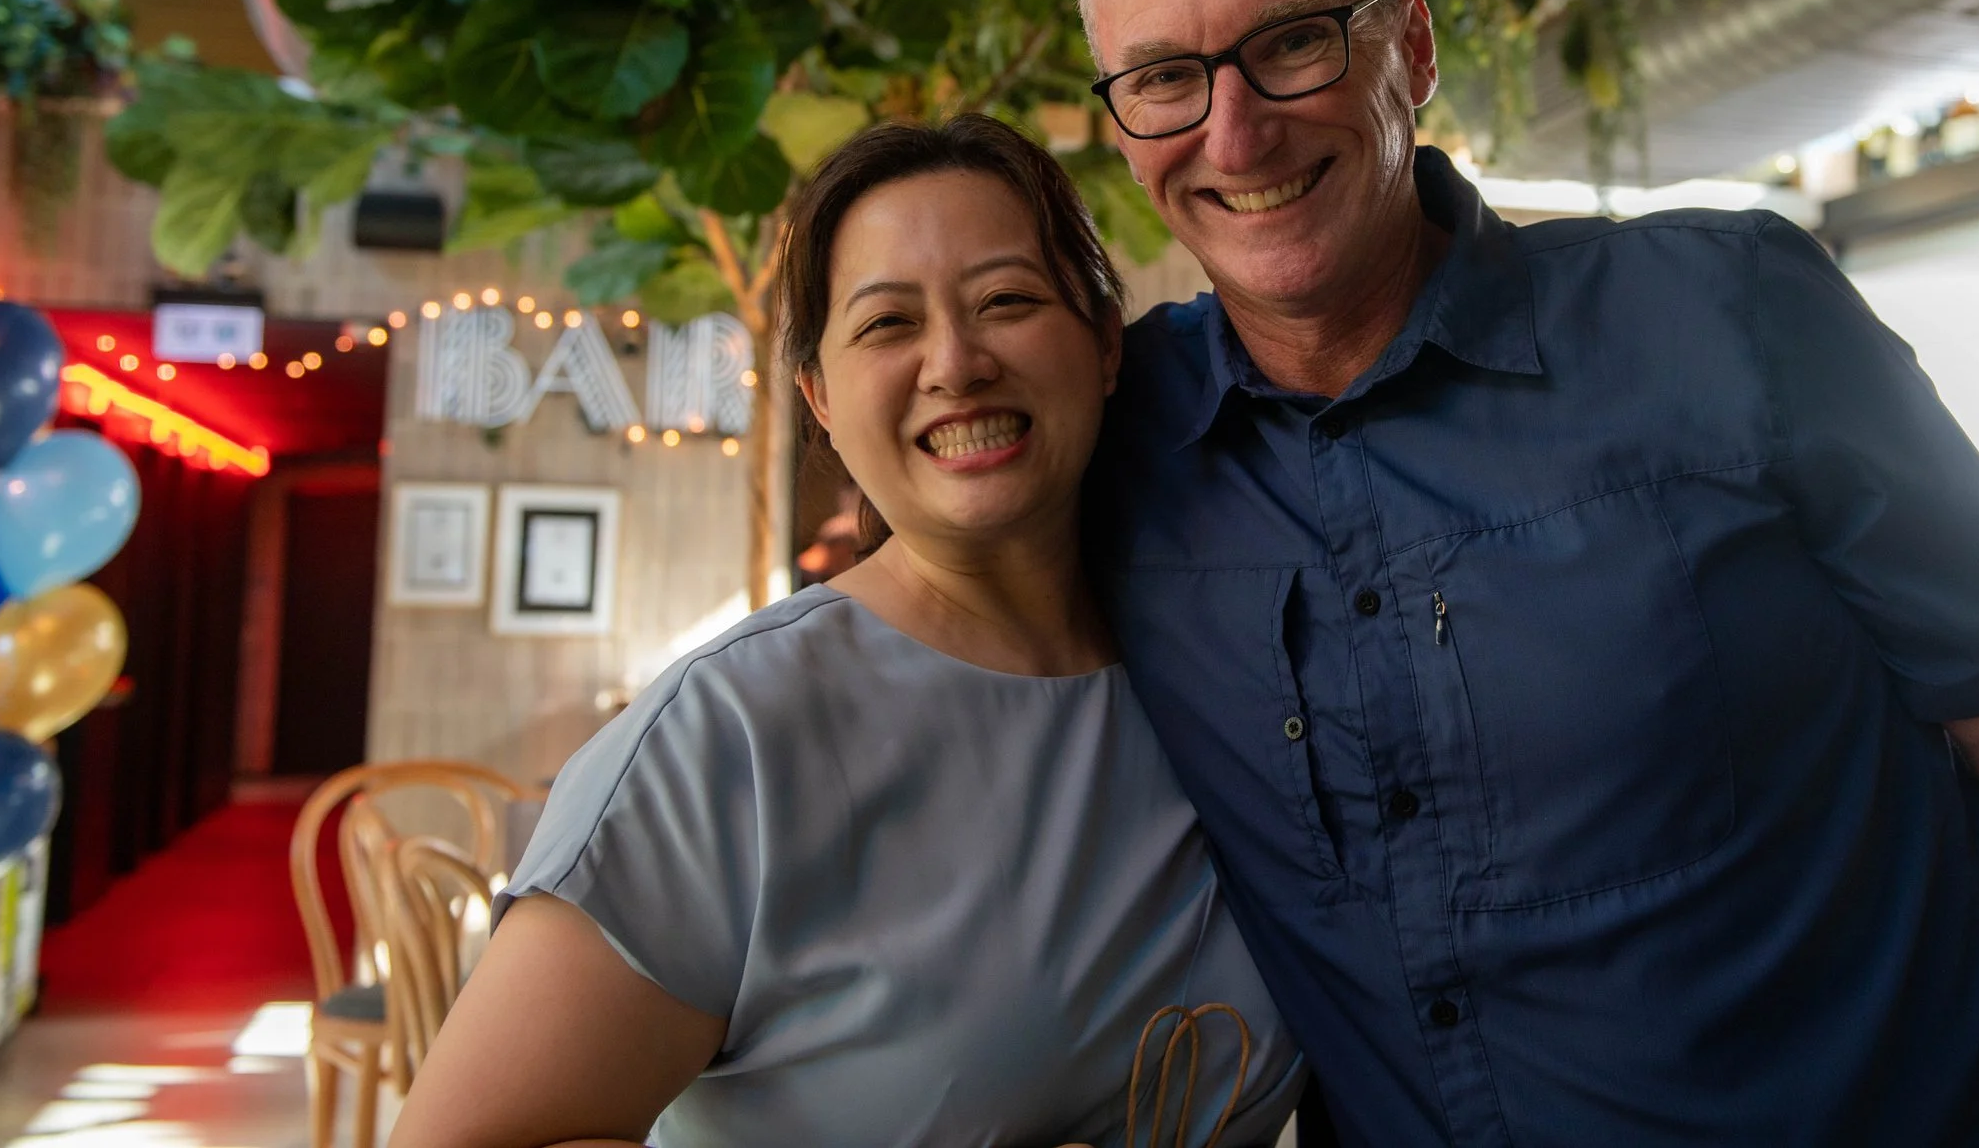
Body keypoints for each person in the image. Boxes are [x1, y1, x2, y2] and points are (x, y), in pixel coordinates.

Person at [1073, 0, 1979, 1146]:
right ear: (1119, 120)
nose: (1235, 131)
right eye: (1164, 77)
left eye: (1294, 41)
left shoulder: (1731, 315)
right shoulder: (1122, 442)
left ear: (1410, 43)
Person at [390, 116, 1302, 1148]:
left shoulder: (1240, 677)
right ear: (819, 397)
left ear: (1102, 342)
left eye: (1006, 300)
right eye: (887, 323)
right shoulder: (728, 737)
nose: (955, 363)